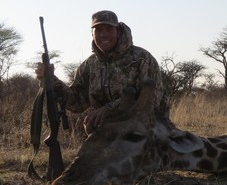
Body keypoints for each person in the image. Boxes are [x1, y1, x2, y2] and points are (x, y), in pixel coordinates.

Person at [36, 10, 166, 134]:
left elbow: (151, 101)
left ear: (118, 31)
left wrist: (110, 109)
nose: (103, 35)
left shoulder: (142, 59)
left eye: (109, 29)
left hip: (144, 131)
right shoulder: (89, 65)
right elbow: (76, 103)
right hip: (105, 134)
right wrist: (51, 79)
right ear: (92, 34)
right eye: (98, 30)